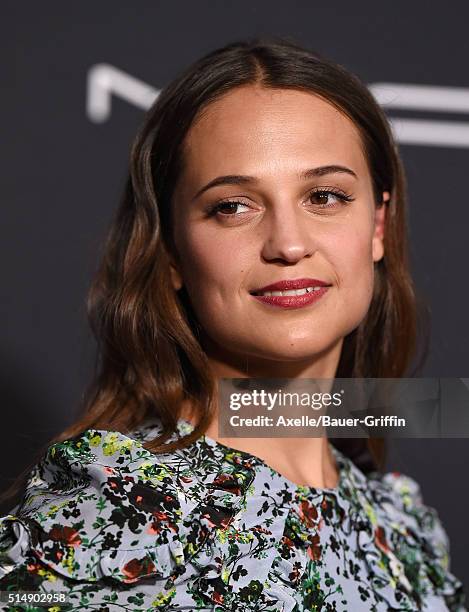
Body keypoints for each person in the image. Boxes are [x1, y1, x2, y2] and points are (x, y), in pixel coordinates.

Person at [0, 37, 466, 611]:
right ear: (171, 252)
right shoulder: (126, 507)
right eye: (233, 206)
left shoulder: (403, 530)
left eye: (324, 196)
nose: (289, 244)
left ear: (376, 226)